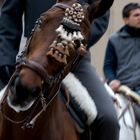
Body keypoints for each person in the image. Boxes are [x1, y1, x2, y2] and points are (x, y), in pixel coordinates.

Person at [0, 0, 119, 140]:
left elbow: (99, 21)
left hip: (73, 61)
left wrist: (69, 43)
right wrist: (6, 60)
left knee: (108, 120)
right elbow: (9, 16)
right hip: (30, 54)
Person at [103, 2, 140, 124]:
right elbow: (108, 66)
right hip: (124, 88)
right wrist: (112, 79)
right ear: (125, 19)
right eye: (136, 15)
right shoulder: (114, 39)